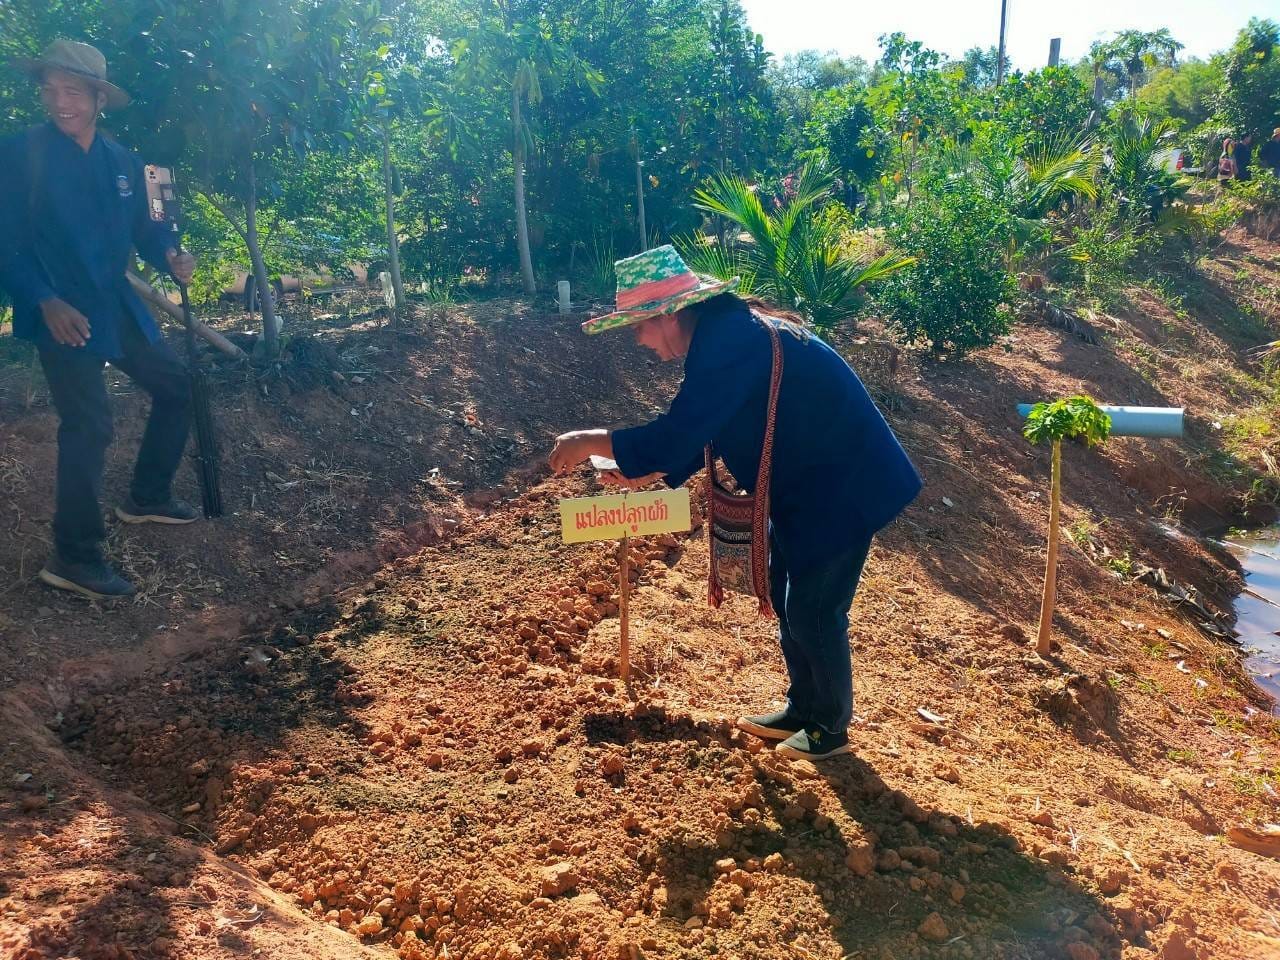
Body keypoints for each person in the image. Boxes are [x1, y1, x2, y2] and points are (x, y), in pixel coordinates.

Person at [549, 246, 922, 761]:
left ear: (672, 314)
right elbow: (715, 423)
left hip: (841, 485)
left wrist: (589, 440)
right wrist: (654, 470)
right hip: (811, 483)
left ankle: (830, 728)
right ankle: (804, 708)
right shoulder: (726, 335)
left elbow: (680, 430)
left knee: (814, 609)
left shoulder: (730, 341)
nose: (636, 337)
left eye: (639, 324)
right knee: (790, 594)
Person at [0, 41, 199, 600]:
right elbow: (6, 243)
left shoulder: (124, 163)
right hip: (61, 312)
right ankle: (75, 557)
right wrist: (43, 300)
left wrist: (172, 256)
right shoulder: (20, 155)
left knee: (177, 385)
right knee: (89, 425)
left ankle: (148, 496)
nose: (59, 102)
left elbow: (150, 230)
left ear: (97, 99)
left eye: (72, 92)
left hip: (115, 304)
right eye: (50, 90)